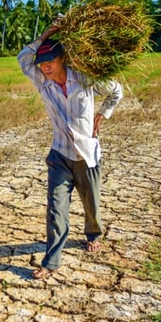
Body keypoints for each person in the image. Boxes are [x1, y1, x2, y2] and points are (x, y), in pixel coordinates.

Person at [17, 19, 123, 279]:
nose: (45, 66)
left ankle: (93, 234)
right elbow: (23, 56)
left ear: (63, 57)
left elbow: (116, 90)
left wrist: (102, 113)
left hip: (87, 155)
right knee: (55, 209)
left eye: (50, 60)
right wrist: (49, 33)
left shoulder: (86, 78)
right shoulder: (43, 81)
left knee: (92, 205)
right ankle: (51, 262)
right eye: (42, 63)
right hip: (60, 155)